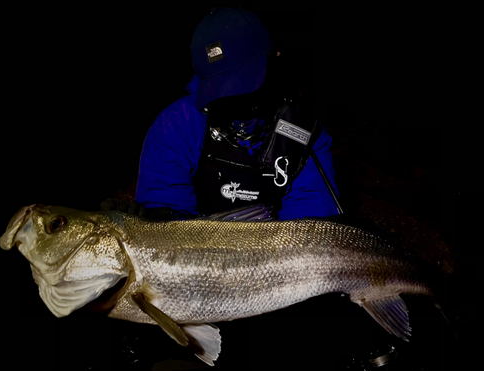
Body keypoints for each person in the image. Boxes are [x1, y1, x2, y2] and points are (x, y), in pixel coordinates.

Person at [112, 7, 341, 220]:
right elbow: (167, 210)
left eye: (245, 83)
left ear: (273, 61)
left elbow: (311, 218)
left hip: (276, 250)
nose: (234, 99)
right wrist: (154, 219)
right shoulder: (175, 125)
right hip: (199, 250)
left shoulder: (304, 135)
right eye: (221, 87)